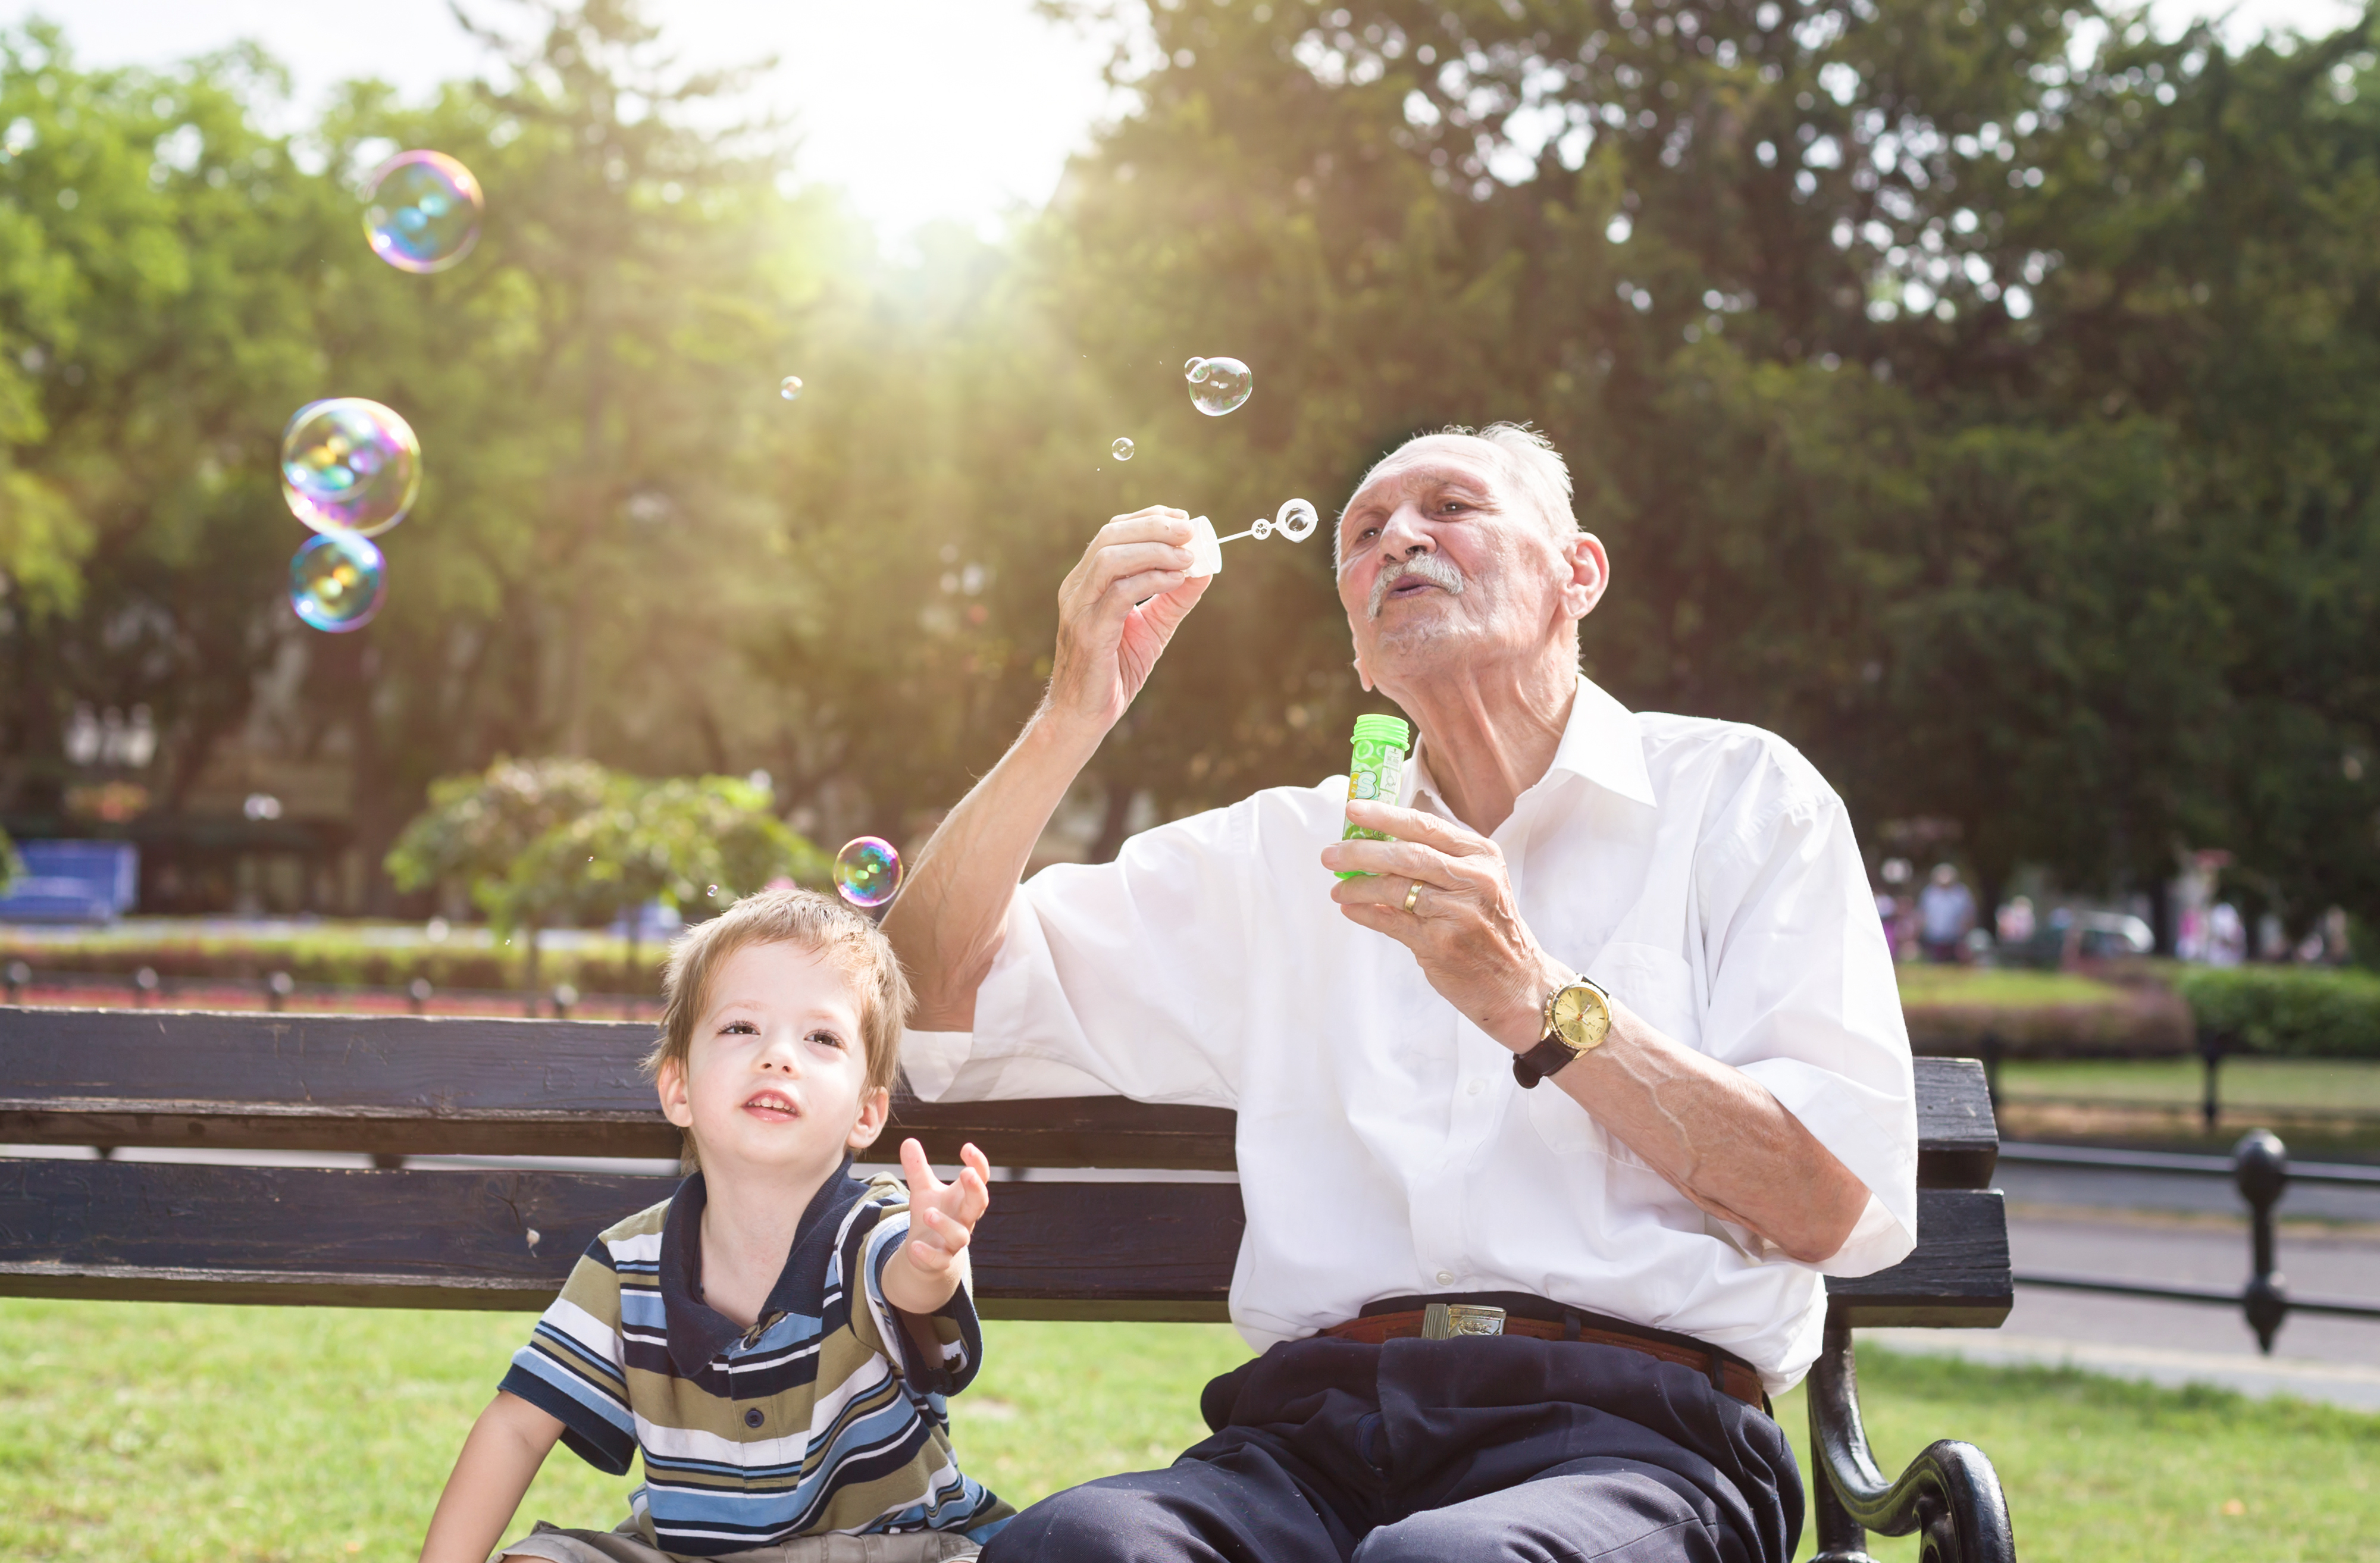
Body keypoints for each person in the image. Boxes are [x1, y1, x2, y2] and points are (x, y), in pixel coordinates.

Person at [884, 422, 1915, 1563]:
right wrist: (1073, 709)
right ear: (1363, 655)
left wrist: (1537, 998)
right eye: (1365, 534)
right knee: (1077, 1547)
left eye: (1453, 507)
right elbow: (930, 990)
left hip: (1640, 1437)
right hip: (1315, 1434)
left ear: (1580, 571)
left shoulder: (1742, 799)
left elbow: (1827, 1202)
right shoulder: (1281, 855)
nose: (1401, 539)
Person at [418, 889, 1013, 1563]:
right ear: (679, 1089)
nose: (778, 1054)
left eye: (821, 1037)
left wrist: (934, 1258)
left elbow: (905, 1276)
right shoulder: (627, 1263)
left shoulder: (871, 1226)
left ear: (865, 1114)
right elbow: (517, 1428)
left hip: (882, 1546)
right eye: (740, 1028)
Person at [1916, 864, 1975, 963]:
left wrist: (1965, 933)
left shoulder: (1961, 893)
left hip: (1954, 937)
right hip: (1933, 937)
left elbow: (1968, 915)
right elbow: (1922, 913)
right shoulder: (1929, 893)